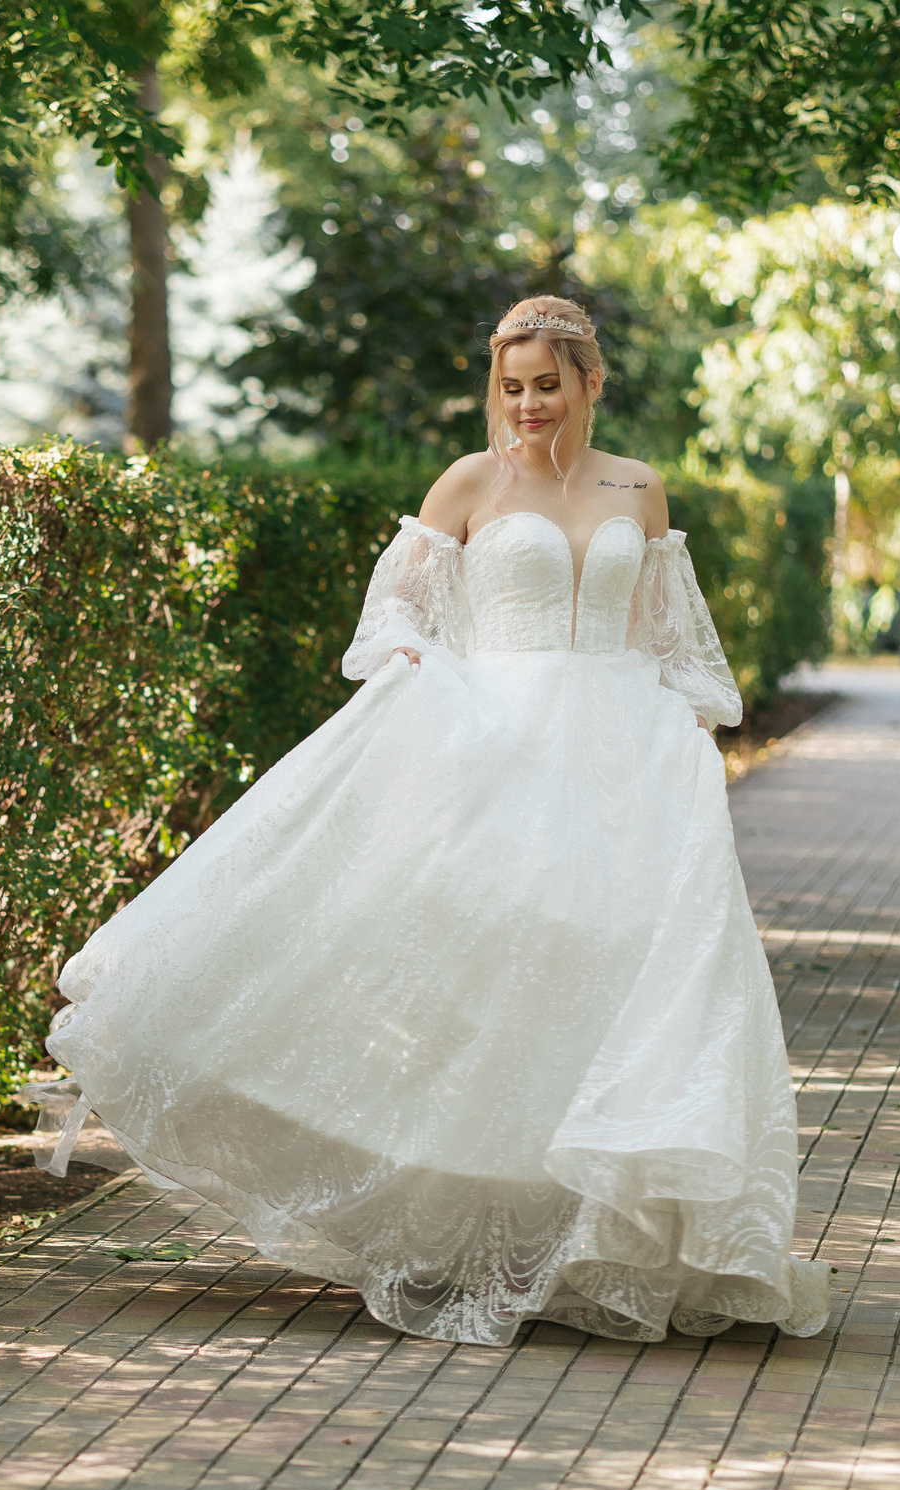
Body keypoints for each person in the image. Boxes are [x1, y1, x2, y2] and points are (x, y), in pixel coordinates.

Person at [44, 296, 830, 1349]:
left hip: (614, 762)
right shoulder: (469, 483)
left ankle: (584, 1228)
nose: (527, 405)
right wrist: (415, 662)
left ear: (591, 383)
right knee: (477, 974)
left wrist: (687, 725)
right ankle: (457, 1227)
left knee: (600, 980)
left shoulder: (638, 491)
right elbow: (396, 612)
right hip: (491, 745)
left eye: (547, 384)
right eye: (510, 386)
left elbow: (668, 637)